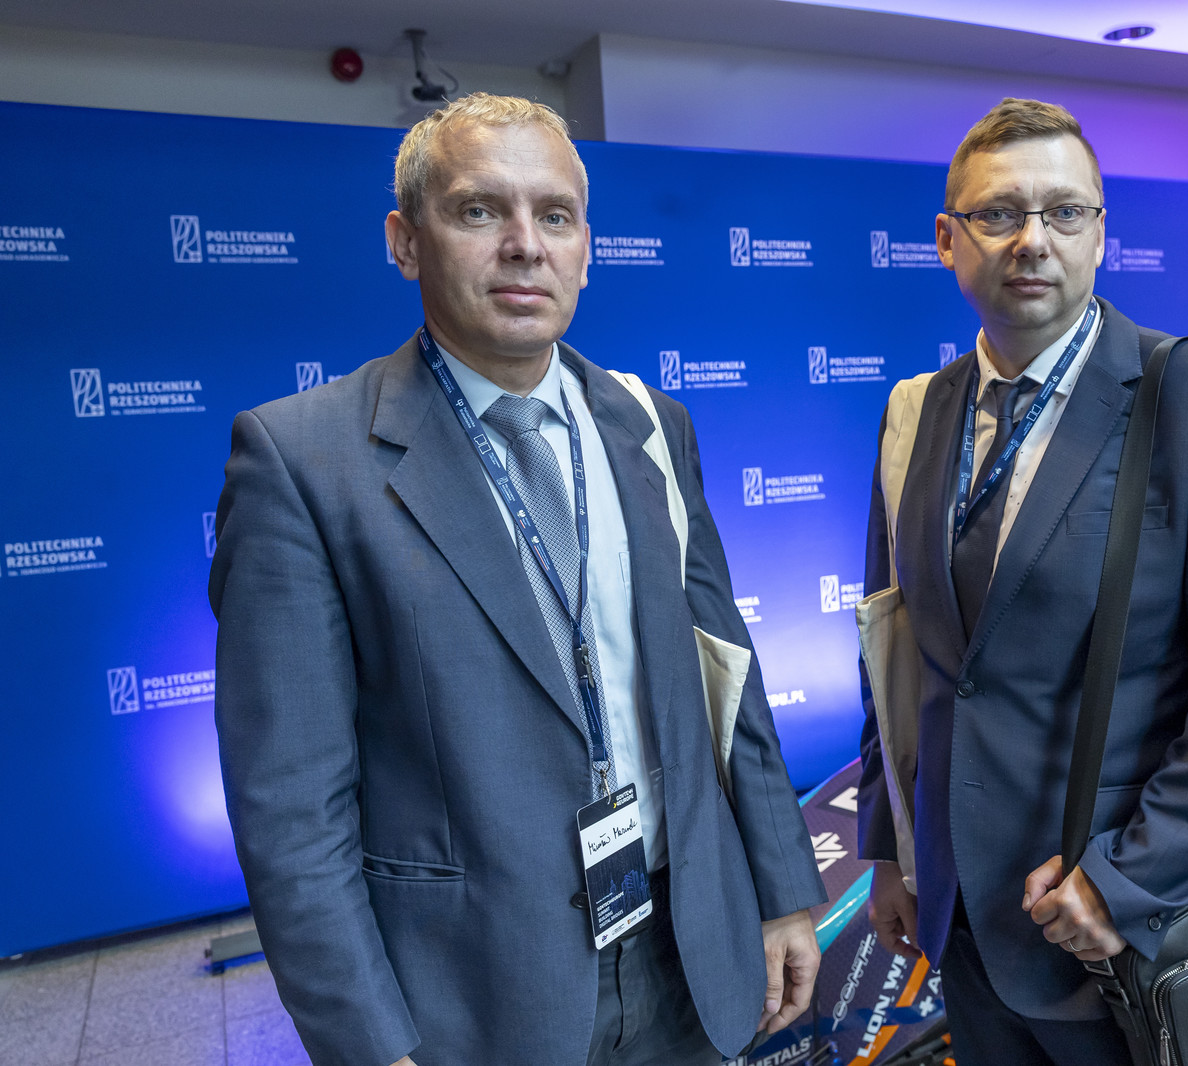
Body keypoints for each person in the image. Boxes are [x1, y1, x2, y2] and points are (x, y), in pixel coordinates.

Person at [209, 93, 825, 1066]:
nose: (525, 245)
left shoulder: (651, 425)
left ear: (585, 247)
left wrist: (782, 888)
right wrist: (366, 1043)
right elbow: (290, 804)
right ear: (405, 242)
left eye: (555, 215)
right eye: (478, 210)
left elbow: (727, 676)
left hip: (687, 949)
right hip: (473, 994)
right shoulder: (303, 461)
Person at [855, 98, 1188, 1065]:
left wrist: (1129, 881)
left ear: (1100, 234)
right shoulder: (917, 412)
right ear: (946, 239)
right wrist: (892, 848)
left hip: (1115, 926)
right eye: (998, 213)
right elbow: (895, 655)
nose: (1033, 240)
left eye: (1064, 212)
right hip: (963, 919)